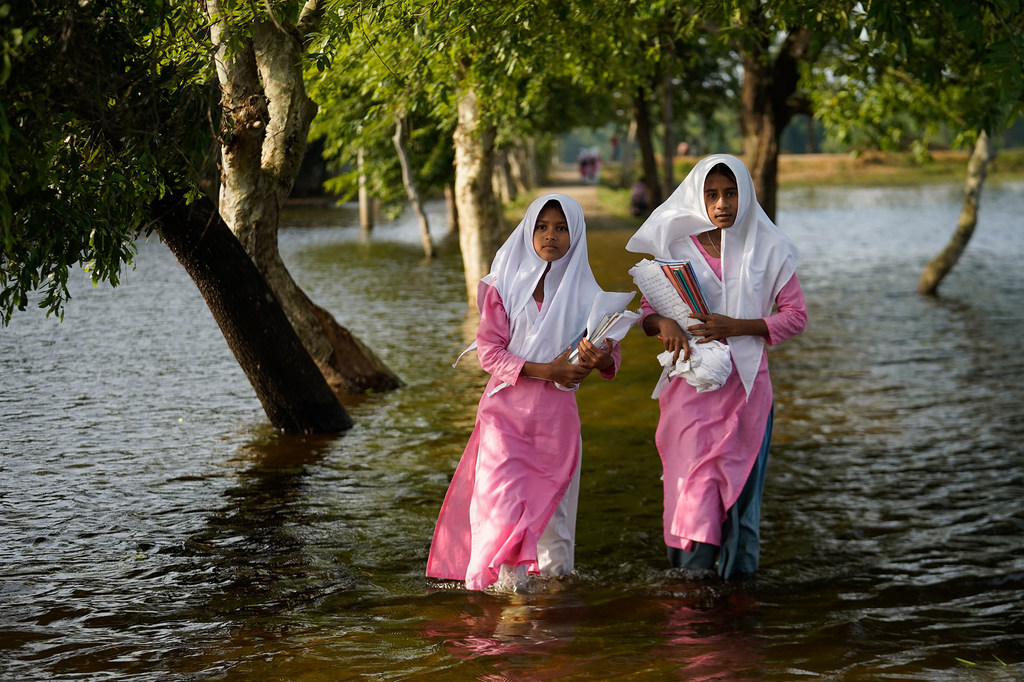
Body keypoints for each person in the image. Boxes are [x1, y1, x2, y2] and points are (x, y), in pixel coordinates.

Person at [625, 154, 807, 580]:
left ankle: (738, 597)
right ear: (698, 198)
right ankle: (690, 593)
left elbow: (796, 315)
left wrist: (736, 326)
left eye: (730, 193)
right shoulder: (677, 250)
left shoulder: (770, 249)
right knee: (690, 490)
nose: (722, 203)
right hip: (690, 390)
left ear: (744, 196)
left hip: (747, 393)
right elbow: (647, 314)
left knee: (741, 500)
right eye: (712, 195)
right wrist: (663, 323)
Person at [427, 193, 621, 591]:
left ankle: (550, 621)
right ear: (529, 230)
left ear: (576, 234)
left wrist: (597, 358)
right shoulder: (503, 287)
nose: (551, 235)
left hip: (557, 423)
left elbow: (610, 356)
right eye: (542, 226)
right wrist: (546, 369)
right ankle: (502, 604)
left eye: (562, 227)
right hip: (504, 420)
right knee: (500, 510)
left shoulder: (589, 295)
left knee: (556, 524)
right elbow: (488, 353)